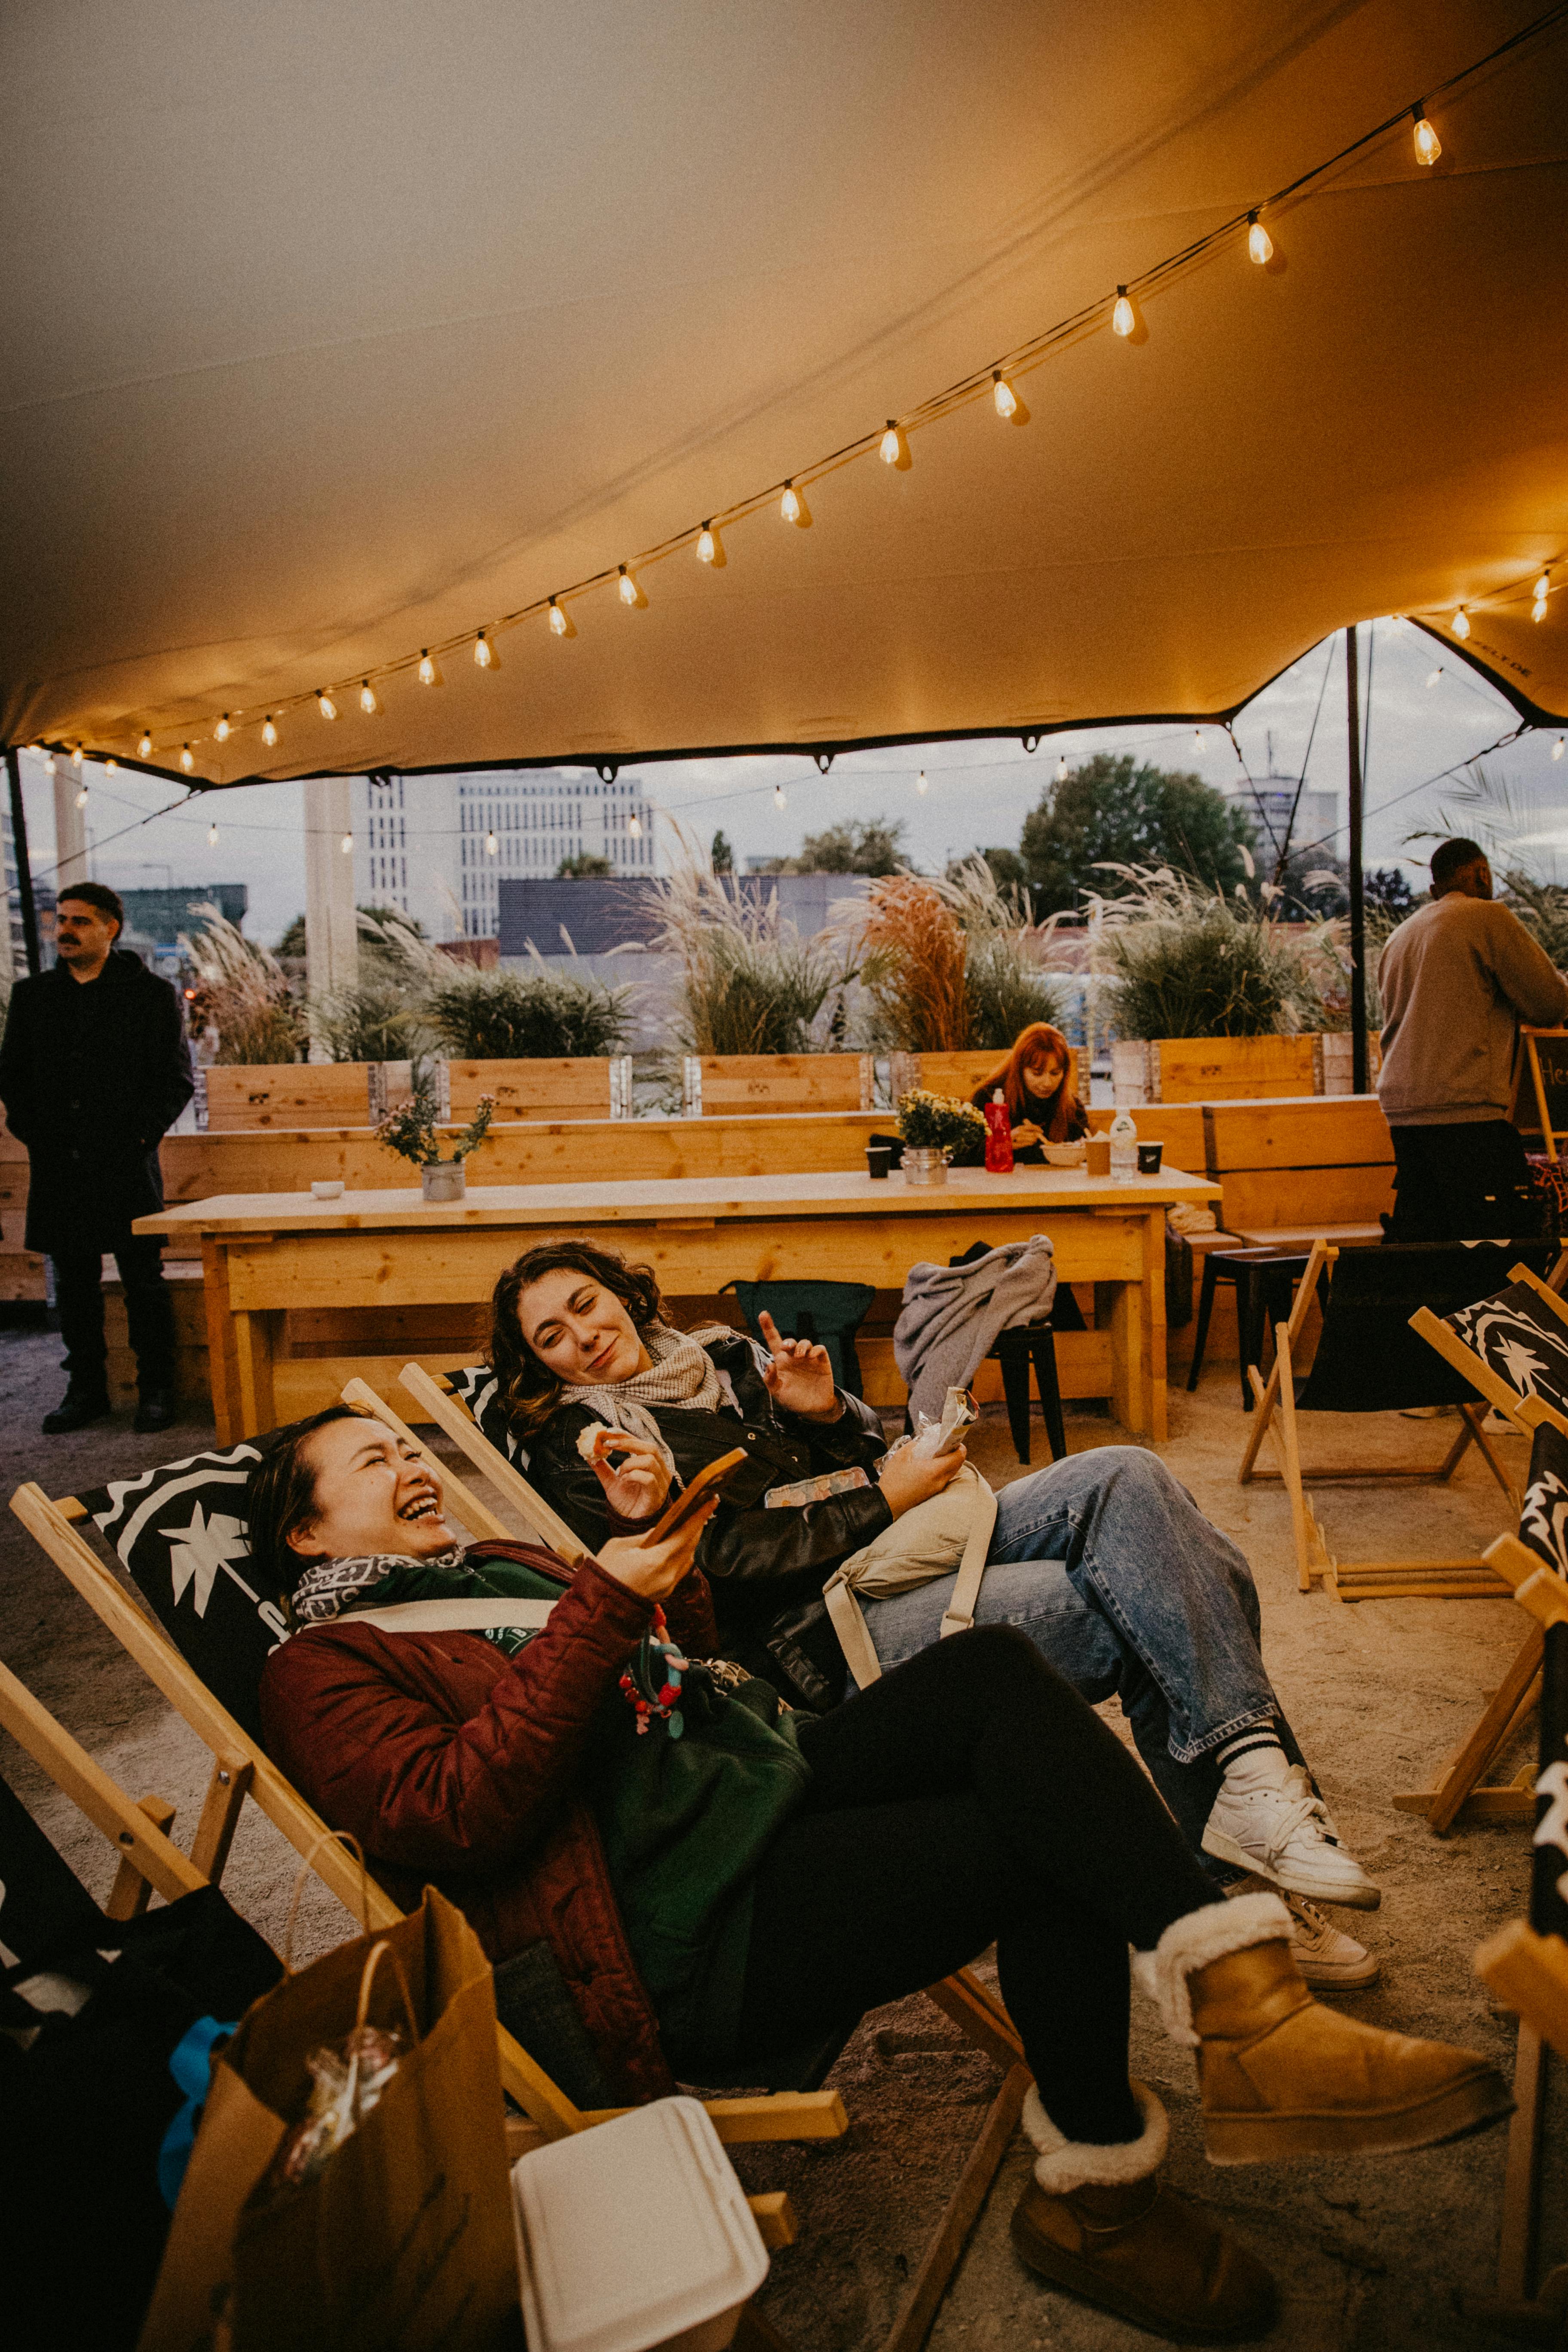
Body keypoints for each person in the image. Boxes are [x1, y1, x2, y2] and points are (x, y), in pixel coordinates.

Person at [254, 1404, 1508, 2346]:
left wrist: (648, 1556)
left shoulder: (494, 1571)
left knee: (996, 1675)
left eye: (410, 1446)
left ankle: (1248, 2006)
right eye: (372, 1460)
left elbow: (677, 1673)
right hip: (671, 1931)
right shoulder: (318, 1668)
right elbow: (447, 1812)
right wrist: (594, 1609)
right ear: (308, 1530)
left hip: (749, 1793)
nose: (412, 1464)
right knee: (1037, 1843)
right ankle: (1106, 2191)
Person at [482, 1240, 1384, 1988]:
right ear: (538, 1362)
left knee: (1131, 1479)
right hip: (816, 1639)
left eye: (586, 1304)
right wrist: (879, 1495)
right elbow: (720, 1564)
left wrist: (828, 1410)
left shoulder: (717, 1356)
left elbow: (833, 1466)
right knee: (1149, 1599)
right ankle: (1231, 1881)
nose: (583, 1338)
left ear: (624, 1295)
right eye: (551, 1336)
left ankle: (1250, 1777)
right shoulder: (584, 1440)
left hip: (896, 1550)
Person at [0, 882, 193, 1434]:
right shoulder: (34, 996)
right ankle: (85, 1390)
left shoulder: (151, 995)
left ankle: (157, 1388)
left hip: (126, 1163)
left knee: (144, 1283)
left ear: (111, 927)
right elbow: (12, 1075)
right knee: (76, 1286)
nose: (65, 930)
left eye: (80, 921)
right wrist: (34, 1132)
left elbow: (175, 1078)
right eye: (60, 919)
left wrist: (139, 1136)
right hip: (59, 1163)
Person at [1378, 838, 1568, 1243]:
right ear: (1482, 874)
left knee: (1429, 1247)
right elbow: (1549, 1003)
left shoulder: (1401, 936)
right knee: (1500, 1244)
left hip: (1404, 1115)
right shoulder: (1487, 918)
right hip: (1466, 1110)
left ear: (1434, 890)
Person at [968, 1021, 1090, 1164]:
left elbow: (1086, 1156)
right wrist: (1000, 1143)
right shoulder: (989, 1099)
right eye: (1037, 1073)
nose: (1047, 1083)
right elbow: (959, 1157)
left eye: (1055, 1073)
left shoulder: (1072, 1108)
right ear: (1020, 1070)